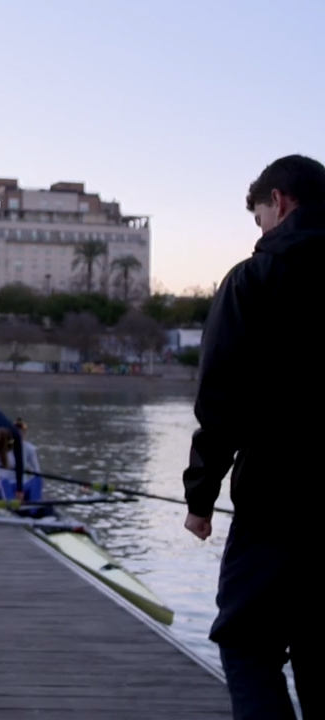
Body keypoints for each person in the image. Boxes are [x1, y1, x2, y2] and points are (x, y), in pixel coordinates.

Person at [181, 154, 325, 719]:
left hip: (277, 502)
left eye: (260, 217)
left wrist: (200, 497)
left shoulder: (255, 278)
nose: (260, 230)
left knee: (247, 642)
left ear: (280, 201)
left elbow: (222, 398)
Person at [0, 418, 43, 503]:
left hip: (22, 487)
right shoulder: (2, 447)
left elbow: (37, 472)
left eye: (22, 431)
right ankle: (13, 507)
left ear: (25, 433)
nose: (20, 433)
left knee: (38, 480)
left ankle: (34, 508)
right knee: (4, 481)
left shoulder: (30, 449)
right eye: (17, 431)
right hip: (4, 486)